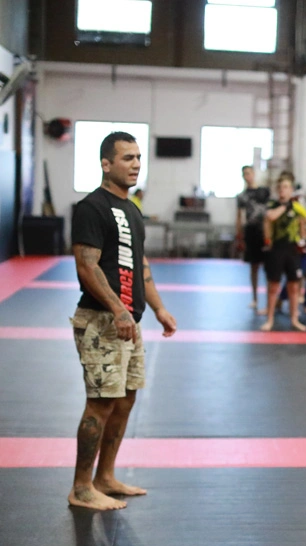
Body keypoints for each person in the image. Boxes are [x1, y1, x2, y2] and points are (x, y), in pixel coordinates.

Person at [68, 131, 177, 511]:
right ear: (106, 163)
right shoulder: (92, 207)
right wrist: (118, 310)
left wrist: (159, 308)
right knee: (100, 403)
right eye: (127, 158)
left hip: (131, 322)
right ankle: (81, 487)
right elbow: (87, 266)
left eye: (138, 158)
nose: (136, 164)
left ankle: (105, 477)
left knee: (125, 400)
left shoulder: (131, 209)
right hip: (101, 322)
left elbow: (140, 265)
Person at [261, 174, 306, 332]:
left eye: (285, 187)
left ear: (291, 190)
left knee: (294, 286)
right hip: (276, 249)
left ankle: (294, 319)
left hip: (293, 250)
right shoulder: (273, 205)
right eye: (280, 187)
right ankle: (270, 319)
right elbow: (271, 217)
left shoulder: (297, 206)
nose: (282, 190)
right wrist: (285, 206)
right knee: (273, 286)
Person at [235, 165, 269, 312]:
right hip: (251, 231)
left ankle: (269, 301)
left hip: (264, 231)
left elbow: (270, 210)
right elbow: (239, 216)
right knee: (253, 267)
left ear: (254, 174)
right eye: (244, 174)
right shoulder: (242, 196)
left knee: (268, 268)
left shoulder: (264, 191)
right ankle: (255, 299)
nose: (247, 176)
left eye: (249, 173)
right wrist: (239, 235)